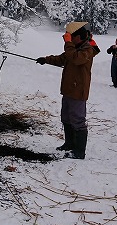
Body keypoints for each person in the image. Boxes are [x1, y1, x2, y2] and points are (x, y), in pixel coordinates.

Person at [36, 22, 96, 159]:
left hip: (78, 92)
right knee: (66, 118)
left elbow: (75, 59)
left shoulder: (87, 50)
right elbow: (62, 58)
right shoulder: (74, 48)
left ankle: (79, 152)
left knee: (78, 121)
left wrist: (68, 43)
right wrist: (46, 60)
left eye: (71, 37)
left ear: (79, 37)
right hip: (68, 90)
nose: (69, 39)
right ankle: (69, 144)